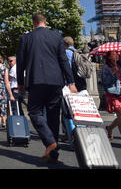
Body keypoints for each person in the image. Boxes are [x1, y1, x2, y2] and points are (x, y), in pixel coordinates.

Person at [16, 13, 77, 164]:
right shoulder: (57, 37)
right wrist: (71, 82)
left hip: (35, 80)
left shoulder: (26, 38)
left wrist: (20, 82)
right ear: (45, 22)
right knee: (53, 116)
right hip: (56, 81)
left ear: (33, 23)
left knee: (35, 112)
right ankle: (53, 154)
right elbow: (63, 61)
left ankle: (50, 142)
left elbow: (20, 62)